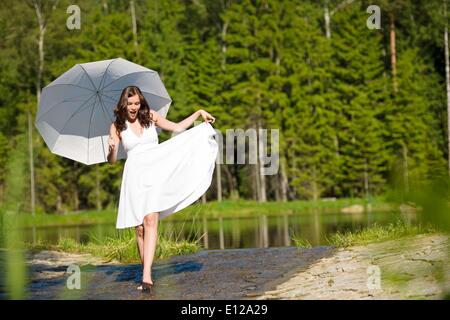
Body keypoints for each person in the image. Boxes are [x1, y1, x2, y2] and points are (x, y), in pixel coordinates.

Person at [107, 86, 217, 293]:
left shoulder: (150, 116)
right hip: (135, 176)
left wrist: (198, 113)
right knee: (139, 228)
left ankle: (147, 276)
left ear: (141, 103)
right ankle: (146, 268)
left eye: (136, 103)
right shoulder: (117, 126)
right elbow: (111, 162)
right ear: (124, 103)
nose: (133, 107)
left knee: (151, 219)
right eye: (129, 104)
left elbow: (177, 128)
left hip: (155, 171)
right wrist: (112, 149)